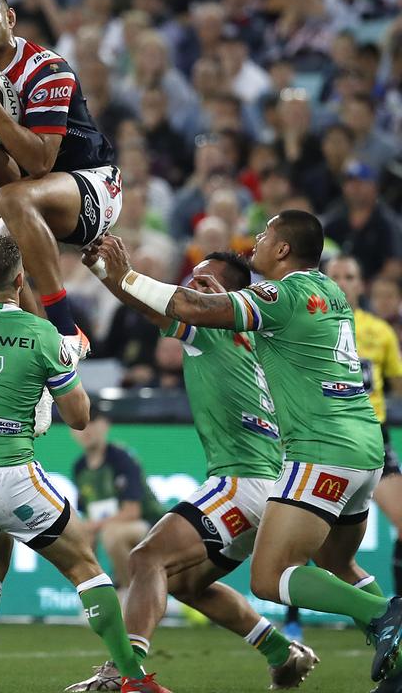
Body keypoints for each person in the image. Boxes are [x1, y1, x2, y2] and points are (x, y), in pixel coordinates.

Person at [93, 212, 402, 691]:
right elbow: (172, 309)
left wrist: (125, 274)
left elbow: (185, 310)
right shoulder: (325, 297)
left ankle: (387, 615)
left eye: (265, 235)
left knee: (250, 575)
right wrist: (111, 274)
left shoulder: (260, 308)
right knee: (332, 565)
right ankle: (355, 659)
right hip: (365, 445)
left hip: (297, 458)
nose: (256, 240)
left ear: (282, 250)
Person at [0, 235, 171, 693]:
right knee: (83, 565)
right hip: (8, 475)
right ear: (20, 280)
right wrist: (61, 368)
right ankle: (133, 679)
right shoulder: (41, 335)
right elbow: (80, 418)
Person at [67, 252, 318, 692]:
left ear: (233, 297)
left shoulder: (211, 329)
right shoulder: (262, 340)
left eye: (206, 285)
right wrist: (110, 272)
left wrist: (108, 269)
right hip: (267, 485)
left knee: (147, 558)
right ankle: (282, 653)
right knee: (185, 584)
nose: (194, 290)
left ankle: (125, 674)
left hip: (240, 482)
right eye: (193, 281)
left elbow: (149, 304)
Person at [0, 0, 122, 357]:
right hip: (34, 198)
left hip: (94, 183)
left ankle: (65, 329)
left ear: (9, 18)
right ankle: (41, 354)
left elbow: (41, 161)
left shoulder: (47, 68)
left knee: (13, 198)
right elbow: (10, 177)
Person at [327, 256, 402, 595]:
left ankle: (397, 613)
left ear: (361, 284)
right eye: (336, 276)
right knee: (313, 536)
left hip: (374, 438)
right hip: (326, 436)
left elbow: (397, 383)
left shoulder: (379, 332)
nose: (343, 282)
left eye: (350, 276)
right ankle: (294, 615)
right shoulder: (311, 326)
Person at [69, 406, 166, 598]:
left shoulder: (121, 459)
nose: (86, 430)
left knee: (111, 534)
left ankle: (131, 595)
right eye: (80, 425)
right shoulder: (80, 468)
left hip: (152, 528)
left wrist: (93, 526)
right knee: (82, 538)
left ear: (105, 425)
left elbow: (132, 511)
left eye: (93, 422)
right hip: (113, 528)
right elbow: (89, 515)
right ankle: (93, 595)